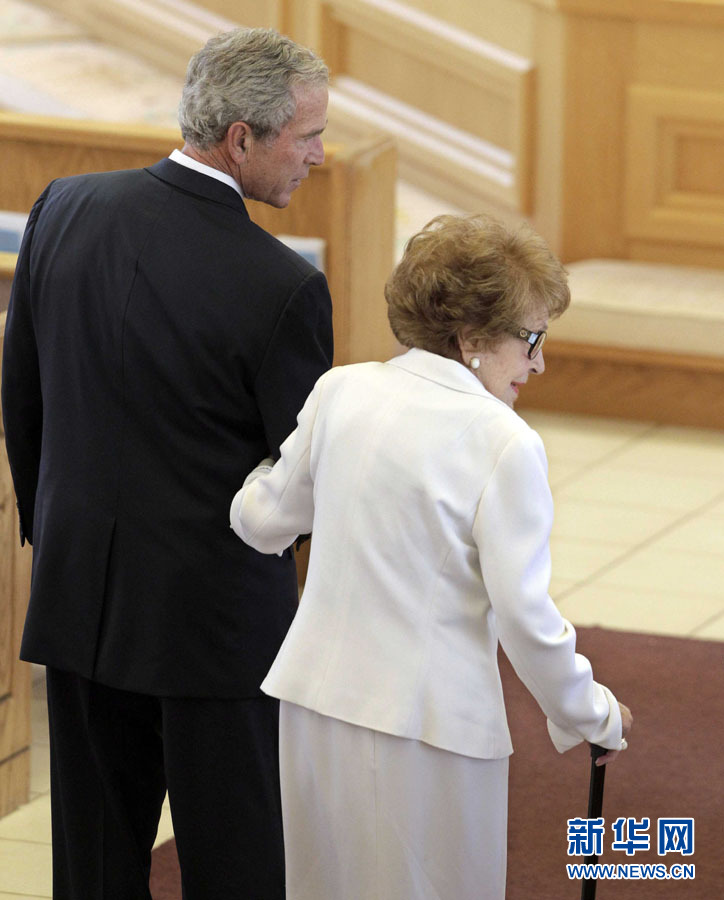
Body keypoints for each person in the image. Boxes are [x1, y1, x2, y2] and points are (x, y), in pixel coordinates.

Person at [2, 27, 333, 900]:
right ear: (243, 139)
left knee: (93, 869)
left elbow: (22, 402)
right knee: (239, 868)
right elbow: (302, 480)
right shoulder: (282, 286)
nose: (321, 157)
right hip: (214, 632)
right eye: (308, 137)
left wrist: (60, 541)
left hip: (78, 605)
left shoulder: (64, 207)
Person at [230, 214, 633, 900]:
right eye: (530, 340)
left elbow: (261, 522)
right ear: (473, 341)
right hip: (426, 728)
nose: (539, 363)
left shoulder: (342, 391)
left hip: (314, 703)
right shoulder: (503, 442)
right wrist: (592, 711)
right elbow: (525, 618)